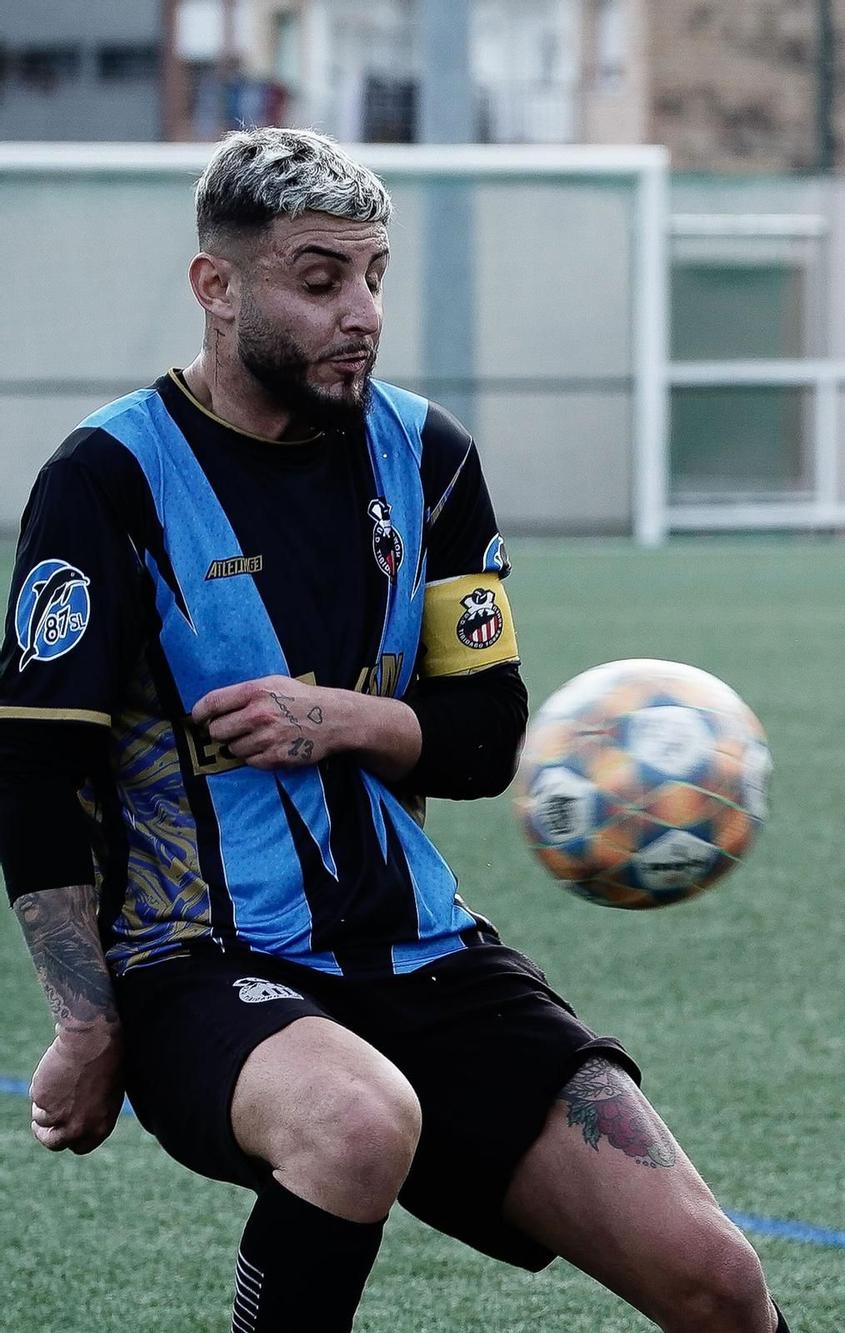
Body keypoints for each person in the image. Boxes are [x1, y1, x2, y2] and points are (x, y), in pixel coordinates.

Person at [1, 128, 788, 1333]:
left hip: (422, 951)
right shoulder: (107, 480)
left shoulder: (427, 458)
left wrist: (337, 718)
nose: (360, 311)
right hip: (199, 968)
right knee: (354, 1120)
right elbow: (32, 768)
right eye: (320, 281)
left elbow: (485, 736)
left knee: (717, 1283)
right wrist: (88, 1020)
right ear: (219, 287)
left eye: (374, 276)